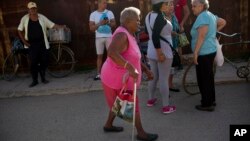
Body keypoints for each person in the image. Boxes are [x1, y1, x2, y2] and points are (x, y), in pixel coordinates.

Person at [101, 7, 158, 141]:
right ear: (127, 21)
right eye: (137, 20)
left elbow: (134, 56)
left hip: (121, 77)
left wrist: (145, 69)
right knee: (131, 105)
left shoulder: (130, 34)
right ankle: (141, 133)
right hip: (116, 79)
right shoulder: (122, 35)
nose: (139, 23)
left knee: (119, 102)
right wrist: (130, 67)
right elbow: (111, 53)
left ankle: (108, 125)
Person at [17, 2, 66, 87]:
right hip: (31, 45)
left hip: (42, 43)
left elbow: (52, 25)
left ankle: (43, 78)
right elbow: (19, 30)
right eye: (31, 9)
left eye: (34, 8)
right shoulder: (25, 19)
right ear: (28, 10)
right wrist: (24, 42)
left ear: (36, 9)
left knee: (44, 61)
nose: (33, 10)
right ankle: (35, 80)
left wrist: (62, 27)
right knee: (33, 63)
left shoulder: (42, 17)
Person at [190, 0, 226, 111]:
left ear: (201, 6)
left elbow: (201, 36)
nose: (192, 8)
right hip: (209, 50)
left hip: (203, 52)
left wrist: (195, 53)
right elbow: (223, 22)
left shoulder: (203, 17)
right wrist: (213, 32)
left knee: (203, 78)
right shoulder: (210, 15)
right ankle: (211, 100)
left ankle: (207, 104)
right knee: (208, 77)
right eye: (192, 6)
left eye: (194, 6)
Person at [145, 0, 176, 114]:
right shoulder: (159, 17)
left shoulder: (148, 15)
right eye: (166, 3)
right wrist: (160, 53)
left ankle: (150, 99)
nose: (168, 5)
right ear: (160, 5)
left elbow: (148, 32)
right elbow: (155, 36)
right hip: (162, 51)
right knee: (163, 78)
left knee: (153, 76)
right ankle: (166, 106)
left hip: (151, 50)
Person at [89, 0, 116, 80]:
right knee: (99, 56)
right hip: (99, 37)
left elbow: (114, 24)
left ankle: (111, 73)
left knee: (111, 56)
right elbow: (91, 28)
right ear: (99, 3)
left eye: (106, 3)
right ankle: (99, 74)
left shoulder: (110, 12)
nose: (106, 4)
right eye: (104, 3)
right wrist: (100, 23)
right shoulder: (93, 14)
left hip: (109, 37)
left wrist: (108, 23)